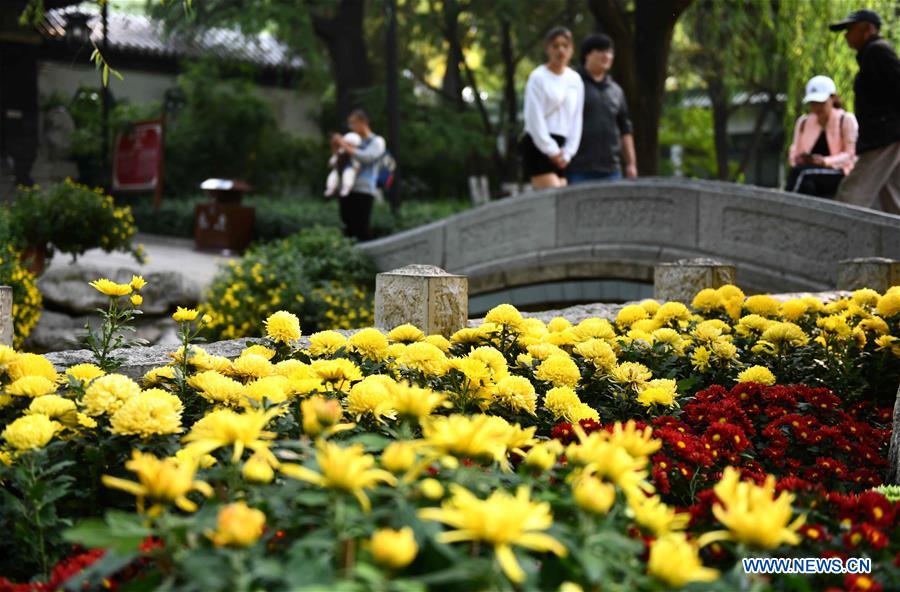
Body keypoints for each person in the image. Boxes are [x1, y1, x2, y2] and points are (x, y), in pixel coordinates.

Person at [830, 9, 900, 213]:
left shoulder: (877, 52)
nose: (846, 35)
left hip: (883, 137)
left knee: (851, 193)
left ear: (868, 29)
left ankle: (836, 232)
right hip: (888, 135)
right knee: (892, 198)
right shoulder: (873, 53)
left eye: (851, 29)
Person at [567, 33, 637, 184]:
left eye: (610, 52)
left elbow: (625, 129)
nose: (607, 56)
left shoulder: (616, 90)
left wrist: (631, 163)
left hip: (612, 171)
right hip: (578, 169)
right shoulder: (571, 84)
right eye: (601, 50)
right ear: (587, 54)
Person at [521, 26, 584, 188]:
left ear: (572, 49)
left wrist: (568, 152)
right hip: (539, 143)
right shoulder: (538, 77)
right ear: (547, 49)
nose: (560, 50)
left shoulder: (575, 80)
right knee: (553, 194)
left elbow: (577, 118)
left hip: (563, 148)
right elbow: (534, 118)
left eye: (565, 45)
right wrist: (551, 150)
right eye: (555, 46)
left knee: (563, 197)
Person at [785, 75, 858, 198]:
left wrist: (825, 161)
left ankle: (784, 205)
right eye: (813, 103)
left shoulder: (846, 119)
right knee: (806, 184)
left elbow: (851, 155)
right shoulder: (803, 122)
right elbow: (795, 150)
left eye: (821, 103)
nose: (817, 107)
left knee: (801, 174)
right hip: (809, 171)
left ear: (833, 98)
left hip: (839, 172)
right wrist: (801, 159)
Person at [335, 109, 386, 241]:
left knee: (361, 228)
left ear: (363, 122)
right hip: (346, 188)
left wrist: (345, 146)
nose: (351, 127)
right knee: (347, 227)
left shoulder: (377, 141)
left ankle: (365, 253)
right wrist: (337, 148)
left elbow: (367, 157)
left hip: (364, 190)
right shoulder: (351, 141)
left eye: (353, 123)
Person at [324, 132, 361, 198]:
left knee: (347, 175)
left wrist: (356, 167)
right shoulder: (341, 150)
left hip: (349, 168)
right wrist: (332, 162)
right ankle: (330, 188)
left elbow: (356, 162)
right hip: (339, 168)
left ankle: (346, 188)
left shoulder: (356, 152)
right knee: (333, 176)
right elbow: (335, 157)